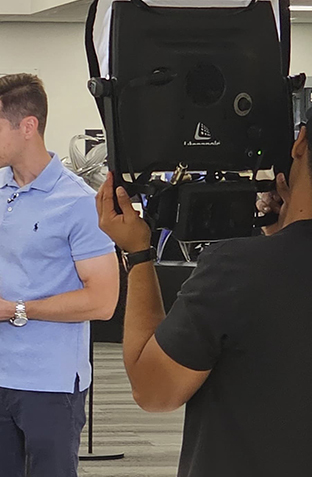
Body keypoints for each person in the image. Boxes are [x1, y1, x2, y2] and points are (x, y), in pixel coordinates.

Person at [96, 123, 312, 476]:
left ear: (300, 142)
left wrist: (138, 254)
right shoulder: (247, 269)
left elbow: (154, 390)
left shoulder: (237, 270)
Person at [0, 73, 120, 477]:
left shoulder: (80, 203)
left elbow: (103, 302)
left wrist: (16, 309)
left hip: (51, 385)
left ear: (28, 126)